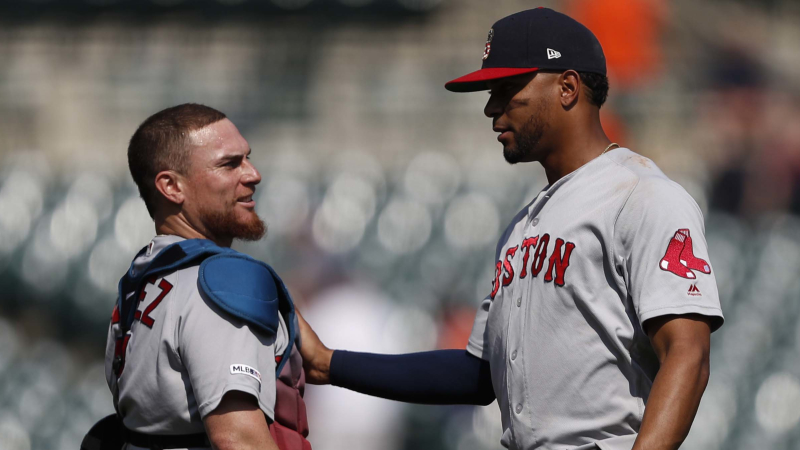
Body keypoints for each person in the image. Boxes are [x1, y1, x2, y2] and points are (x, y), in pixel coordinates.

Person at [297, 8, 723, 450]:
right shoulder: (523, 226)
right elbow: (478, 374)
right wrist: (330, 363)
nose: (490, 108)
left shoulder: (641, 195)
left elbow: (688, 354)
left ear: (567, 87)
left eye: (507, 90)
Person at [89, 104, 311, 450]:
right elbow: (239, 440)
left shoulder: (143, 277)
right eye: (230, 164)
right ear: (171, 187)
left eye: (248, 158)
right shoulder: (225, 282)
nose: (253, 174)